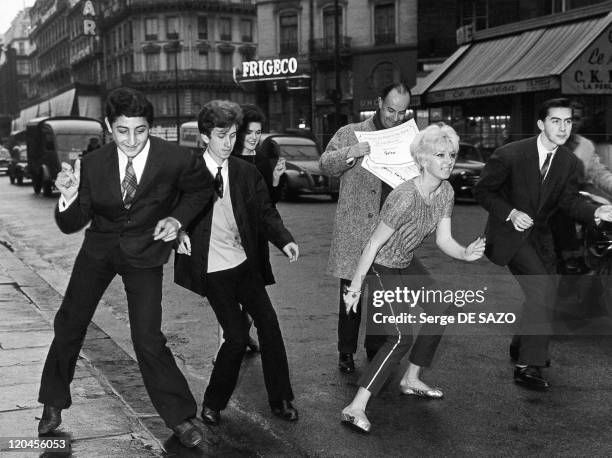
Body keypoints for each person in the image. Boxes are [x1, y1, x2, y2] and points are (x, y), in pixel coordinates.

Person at [37, 87, 213, 448]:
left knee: (147, 338)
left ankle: (180, 417)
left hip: (144, 253)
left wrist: (178, 221)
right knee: (70, 323)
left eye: (140, 130)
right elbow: (71, 223)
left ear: (151, 127)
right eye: (122, 131)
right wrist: (68, 194)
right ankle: (53, 404)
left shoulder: (175, 159)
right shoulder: (94, 163)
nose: (131, 140)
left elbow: (201, 190)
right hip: (99, 251)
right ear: (108, 126)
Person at [340, 123, 485, 433]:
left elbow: (444, 240)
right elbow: (373, 243)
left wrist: (464, 253)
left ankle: (411, 378)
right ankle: (355, 407)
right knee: (401, 335)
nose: (448, 161)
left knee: (441, 308)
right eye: (440, 155)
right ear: (423, 159)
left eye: (452, 155)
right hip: (381, 264)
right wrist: (355, 286)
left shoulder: (445, 191)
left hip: (405, 260)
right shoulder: (405, 197)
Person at [174, 100, 300, 426]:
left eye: (232, 135)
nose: (229, 142)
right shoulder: (188, 173)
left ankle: (281, 399)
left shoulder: (245, 172)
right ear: (205, 137)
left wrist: (284, 239)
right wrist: (178, 234)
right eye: (221, 136)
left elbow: (264, 212)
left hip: (242, 263)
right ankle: (213, 403)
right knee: (235, 336)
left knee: (269, 325)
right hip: (212, 269)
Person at [473, 98, 612, 391]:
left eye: (568, 121)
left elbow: (569, 201)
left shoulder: (569, 162)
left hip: (542, 238)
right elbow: (483, 191)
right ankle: (529, 365)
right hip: (509, 235)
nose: (563, 128)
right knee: (543, 290)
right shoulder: (509, 155)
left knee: (543, 291)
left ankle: (521, 342)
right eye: (555, 121)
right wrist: (510, 212)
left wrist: (595, 212)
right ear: (541, 124)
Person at [320, 81, 429, 374]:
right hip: (354, 231)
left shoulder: (411, 139)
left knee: (383, 295)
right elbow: (325, 165)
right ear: (380, 102)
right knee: (350, 295)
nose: (395, 117)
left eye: (402, 112)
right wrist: (351, 152)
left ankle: (375, 346)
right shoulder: (350, 132)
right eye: (391, 110)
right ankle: (345, 352)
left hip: (388, 232)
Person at [227, 103, 287, 354]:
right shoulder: (229, 158)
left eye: (258, 133)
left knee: (254, 287)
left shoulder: (262, 160)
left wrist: (275, 179)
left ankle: (243, 334)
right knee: (231, 290)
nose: (254, 138)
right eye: (249, 132)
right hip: (232, 235)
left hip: (257, 236)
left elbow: (268, 204)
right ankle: (231, 341)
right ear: (240, 133)